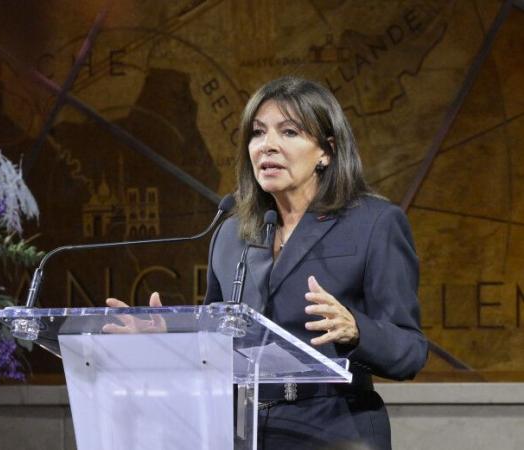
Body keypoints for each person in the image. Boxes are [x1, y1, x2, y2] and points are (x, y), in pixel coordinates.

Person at [107, 75, 428, 449]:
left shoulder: (374, 223)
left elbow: (410, 351)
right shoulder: (232, 234)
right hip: (242, 429)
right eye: (258, 133)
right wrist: (167, 339)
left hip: (335, 429)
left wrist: (357, 329)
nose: (267, 146)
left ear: (326, 150)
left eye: (289, 132)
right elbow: (218, 343)